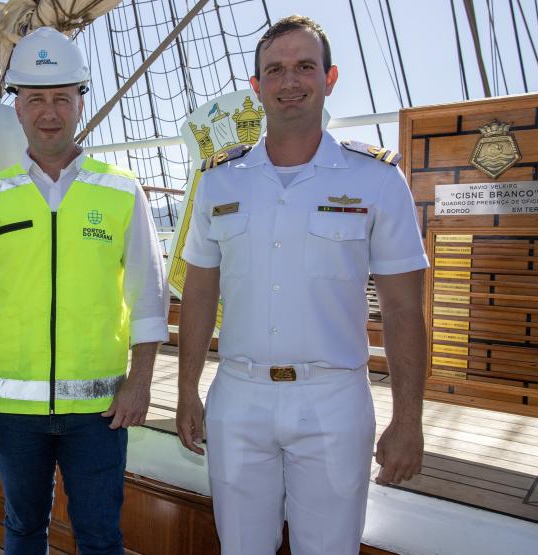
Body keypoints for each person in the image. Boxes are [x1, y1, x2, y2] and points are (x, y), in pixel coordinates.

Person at [176, 15, 429, 554]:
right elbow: (199, 292)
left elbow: (405, 310)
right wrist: (185, 391)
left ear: (329, 78)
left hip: (333, 398)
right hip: (239, 397)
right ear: (256, 87)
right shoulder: (219, 179)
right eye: (276, 70)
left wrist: (409, 421)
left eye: (304, 67)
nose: (290, 81)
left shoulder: (377, 180)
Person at [0, 26, 168, 555]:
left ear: (80, 104)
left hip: (101, 410)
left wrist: (139, 385)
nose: (49, 111)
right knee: (22, 528)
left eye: (61, 98)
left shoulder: (120, 191)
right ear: (17, 109)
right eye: (35, 98)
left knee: (100, 535)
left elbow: (149, 298)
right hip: (11, 414)